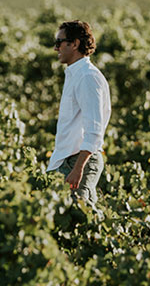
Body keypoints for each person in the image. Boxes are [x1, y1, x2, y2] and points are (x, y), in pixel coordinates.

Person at [46, 21, 111, 206]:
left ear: (74, 44)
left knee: (80, 216)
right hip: (66, 160)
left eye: (59, 42)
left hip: (79, 161)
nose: (55, 48)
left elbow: (94, 129)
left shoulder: (87, 77)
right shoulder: (76, 74)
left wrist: (78, 168)